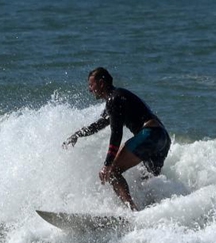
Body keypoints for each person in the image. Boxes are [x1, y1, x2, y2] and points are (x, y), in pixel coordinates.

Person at [63, 67, 171, 211]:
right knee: (147, 180)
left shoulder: (114, 99)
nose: (90, 89)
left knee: (113, 172)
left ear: (101, 83)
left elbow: (116, 133)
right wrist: (77, 135)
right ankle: (154, 212)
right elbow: (99, 124)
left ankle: (132, 212)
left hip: (150, 134)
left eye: (91, 85)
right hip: (162, 139)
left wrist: (107, 164)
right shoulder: (117, 97)